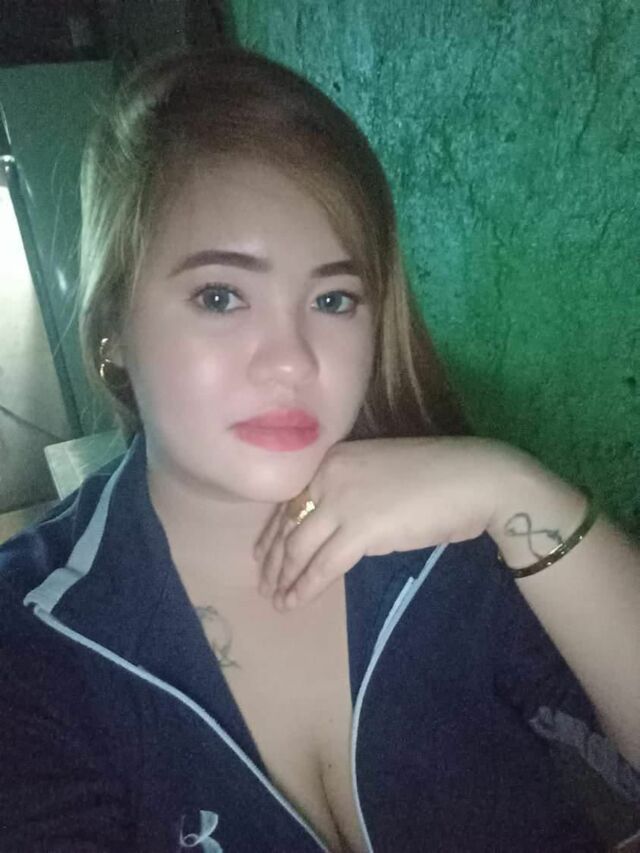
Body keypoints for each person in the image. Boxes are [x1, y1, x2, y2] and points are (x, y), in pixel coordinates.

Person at [0, 44, 639, 853]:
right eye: (221, 296)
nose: (292, 360)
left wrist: (514, 489)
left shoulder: (445, 541)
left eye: (334, 299)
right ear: (111, 328)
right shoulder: (32, 641)